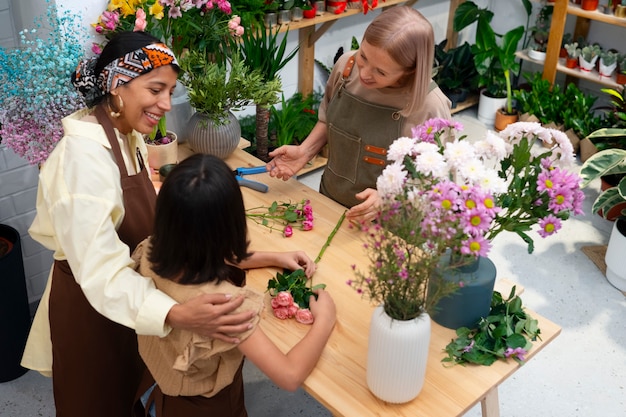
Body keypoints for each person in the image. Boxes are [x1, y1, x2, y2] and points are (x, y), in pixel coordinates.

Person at [21, 31, 255, 417]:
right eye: (156, 89)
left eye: (171, 90)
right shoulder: (83, 161)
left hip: (130, 303)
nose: (166, 103)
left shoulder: (126, 135)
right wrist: (174, 314)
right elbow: (100, 271)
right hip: (92, 315)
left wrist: (248, 256)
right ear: (117, 86)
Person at [132, 153, 337, 416]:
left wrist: (273, 257)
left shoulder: (152, 249)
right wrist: (325, 320)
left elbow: (204, 255)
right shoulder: (222, 305)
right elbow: (289, 375)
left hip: (168, 387)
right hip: (209, 405)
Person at [266, 6, 452, 223]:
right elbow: (328, 119)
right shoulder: (346, 67)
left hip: (387, 225)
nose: (364, 73)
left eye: (380, 72)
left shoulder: (430, 105)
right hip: (331, 199)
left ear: (411, 70)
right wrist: (305, 152)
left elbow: (434, 181)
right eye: (363, 56)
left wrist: (388, 198)